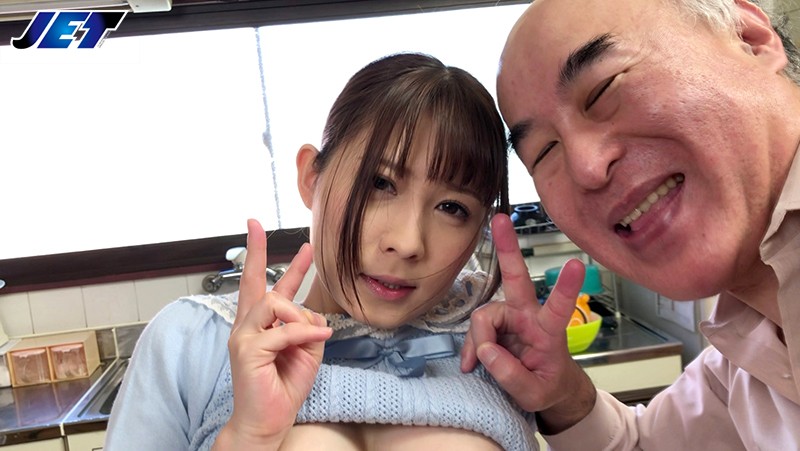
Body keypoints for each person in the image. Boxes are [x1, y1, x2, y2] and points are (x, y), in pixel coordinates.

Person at [105, 52, 541, 450]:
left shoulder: (495, 343)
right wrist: (247, 438)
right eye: (380, 183)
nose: (408, 243)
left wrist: (566, 403)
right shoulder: (193, 340)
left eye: (452, 207)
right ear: (311, 179)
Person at [460, 0, 800, 449]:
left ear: (749, 38)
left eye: (603, 89)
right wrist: (562, 393)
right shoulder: (746, 349)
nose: (587, 167)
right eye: (544, 152)